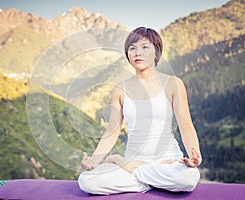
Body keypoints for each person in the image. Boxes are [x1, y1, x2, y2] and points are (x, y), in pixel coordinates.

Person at [78, 27, 202, 195]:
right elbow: (112, 131)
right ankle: (152, 178)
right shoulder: (119, 89)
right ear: (127, 54)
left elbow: (185, 125)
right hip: (135, 159)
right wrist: (94, 160)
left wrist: (194, 154)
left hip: (168, 160)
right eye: (132, 48)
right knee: (87, 181)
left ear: (156, 53)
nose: (138, 53)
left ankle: (131, 170)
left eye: (145, 47)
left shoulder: (173, 83)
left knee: (188, 179)